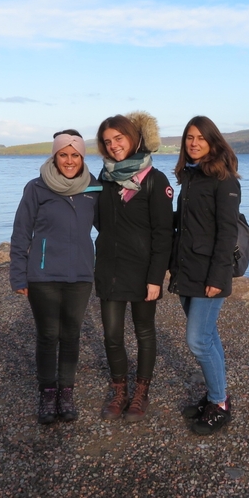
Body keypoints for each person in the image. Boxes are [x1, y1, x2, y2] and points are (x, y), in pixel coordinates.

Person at [9, 130, 101, 425]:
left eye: (75, 155)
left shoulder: (94, 188)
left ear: (83, 157)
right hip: (43, 274)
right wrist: (18, 275)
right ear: (55, 156)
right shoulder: (36, 188)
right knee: (49, 335)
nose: (69, 160)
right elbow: (21, 232)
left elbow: (113, 226)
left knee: (71, 334)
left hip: (81, 274)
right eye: (64, 154)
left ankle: (66, 391)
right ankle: (48, 391)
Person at [93, 112, 174, 422]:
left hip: (143, 273)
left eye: (119, 138)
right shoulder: (104, 179)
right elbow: (99, 221)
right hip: (110, 269)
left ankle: (141, 392)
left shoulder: (155, 180)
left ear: (133, 138)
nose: (114, 146)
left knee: (144, 332)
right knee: (112, 334)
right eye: (107, 141)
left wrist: (156, 277)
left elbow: (164, 234)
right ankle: (119, 389)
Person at [169, 115, 240, 435]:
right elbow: (184, 223)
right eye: (189, 138)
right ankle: (216, 396)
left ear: (213, 141)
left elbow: (227, 234)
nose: (194, 143)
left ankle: (219, 403)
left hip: (209, 274)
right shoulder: (191, 177)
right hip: (187, 268)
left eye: (200, 138)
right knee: (208, 337)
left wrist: (217, 278)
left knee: (197, 341)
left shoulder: (225, 181)